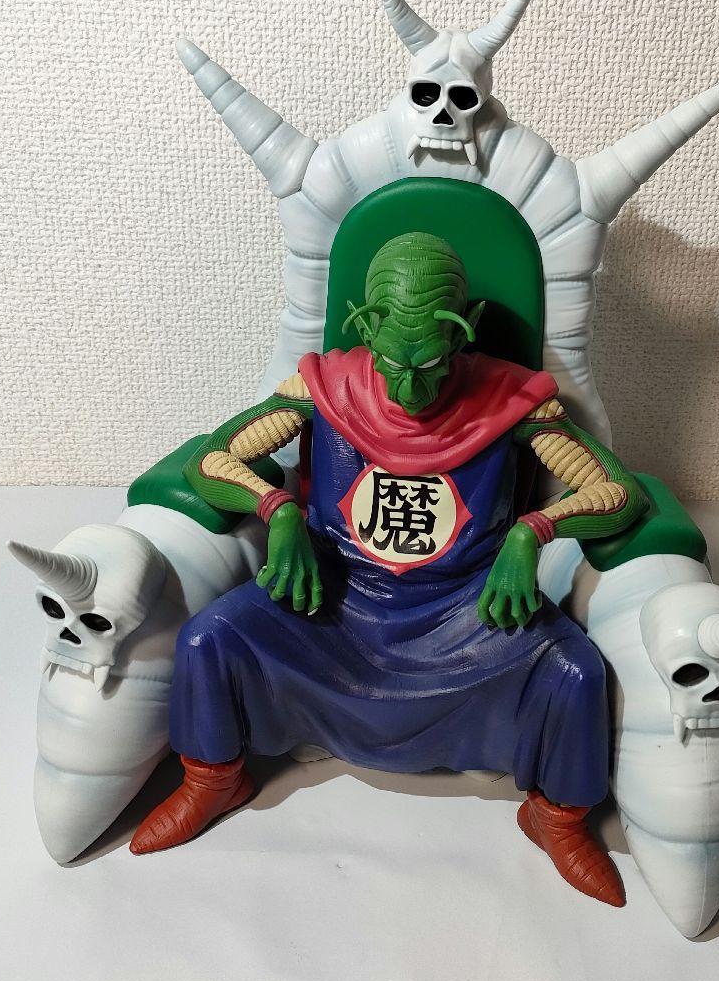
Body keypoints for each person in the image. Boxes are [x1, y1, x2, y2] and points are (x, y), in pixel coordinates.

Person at [130, 233, 647, 906]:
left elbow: (616, 493)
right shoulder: (322, 388)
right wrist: (277, 509)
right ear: (366, 327)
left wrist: (534, 530)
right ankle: (213, 779)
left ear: (463, 331)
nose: (410, 388)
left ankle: (558, 817)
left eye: (430, 363)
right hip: (333, 597)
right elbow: (211, 461)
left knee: (574, 672)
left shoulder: (512, 402)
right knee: (209, 639)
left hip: (465, 607)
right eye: (393, 363)